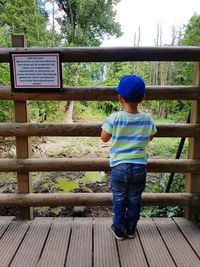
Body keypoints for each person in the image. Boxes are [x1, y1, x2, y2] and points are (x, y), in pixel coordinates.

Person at [101, 75, 157, 240]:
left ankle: (118, 229)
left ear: (119, 97)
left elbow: (104, 137)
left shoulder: (114, 118)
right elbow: (151, 136)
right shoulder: (147, 119)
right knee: (134, 199)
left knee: (119, 198)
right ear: (142, 98)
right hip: (139, 166)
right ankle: (131, 229)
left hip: (119, 167)